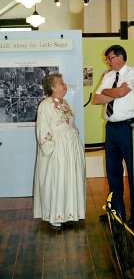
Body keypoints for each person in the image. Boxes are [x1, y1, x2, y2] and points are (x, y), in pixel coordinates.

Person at [93, 45, 134, 226]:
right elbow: (96, 99)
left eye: (110, 58)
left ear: (121, 57)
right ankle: (116, 212)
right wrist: (110, 92)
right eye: (107, 59)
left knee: (133, 171)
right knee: (113, 171)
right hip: (111, 128)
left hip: (129, 126)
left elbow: (122, 92)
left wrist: (107, 92)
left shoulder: (133, 73)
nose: (108, 61)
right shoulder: (107, 76)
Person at [33, 73, 86, 229]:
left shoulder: (67, 103)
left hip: (71, 147)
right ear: (53, 87)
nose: (65, 85)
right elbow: (43, 128)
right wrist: (50, 149)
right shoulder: (45, 105)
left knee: (70, 178)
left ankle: (70, 212)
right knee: (58, 180)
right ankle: (56, 216)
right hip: (57, 148)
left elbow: (70, 124)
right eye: (61, 83)